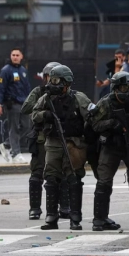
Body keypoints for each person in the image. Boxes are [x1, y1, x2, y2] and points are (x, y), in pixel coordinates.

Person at [31, 65, 94, 231]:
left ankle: (75, 217)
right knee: (51, 179)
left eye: (56, 80)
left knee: (73, 179)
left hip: (73, 143)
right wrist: (46, 115)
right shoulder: (46, 98)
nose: (53, 83)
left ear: (66, 82)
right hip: (53, 142)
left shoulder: (78, 98)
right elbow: (34, 114)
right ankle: (51, 216)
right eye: (51, 80)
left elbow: (92, 117)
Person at [90, 72, 129, 231]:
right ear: (115, 89)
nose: (126, 90)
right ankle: (100, 219)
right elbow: (95, 124)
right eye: (122, 87)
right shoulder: (106, 104)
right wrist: (112, 124)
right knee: (104, 181)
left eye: (128, 86)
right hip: (112, 146)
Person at [21, 62, 70, 221]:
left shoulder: (66, 93)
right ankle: (35, 209)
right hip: (41, 137)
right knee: (37, 172)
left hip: (59, 137)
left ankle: (64, 207)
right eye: (50, 77)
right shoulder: (40, 92)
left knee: (61, 174)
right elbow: (26, 108)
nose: (53, 80)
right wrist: (44, 105)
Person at [0, 48, 31, 163]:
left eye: (17, 55)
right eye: (13, 55)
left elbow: (27, 88)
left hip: (23, 103)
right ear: (10, 56)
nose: (15, 57)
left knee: (27, 126)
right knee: (14, 128)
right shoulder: (6, 70)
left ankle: (6, 145)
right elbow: (0, 88)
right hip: (12, 103)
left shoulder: (23, 70)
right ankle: (15, 154)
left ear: (21, 57)